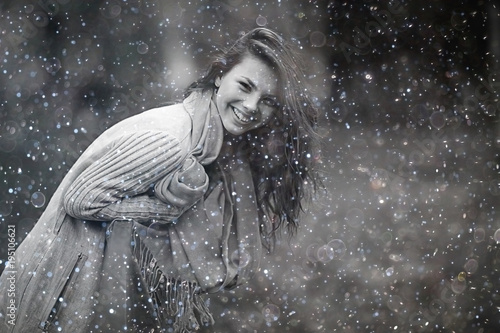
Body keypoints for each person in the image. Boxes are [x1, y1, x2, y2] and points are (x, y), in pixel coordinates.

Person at [0, 27, 320, 332]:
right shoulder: (172, 140)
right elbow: (80, 200)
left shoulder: (205, 145)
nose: (251, 107)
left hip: (83, 282)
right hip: (55, 288)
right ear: (221, 74)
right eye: (246, 86)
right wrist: (163, 211)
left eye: (268, 101)